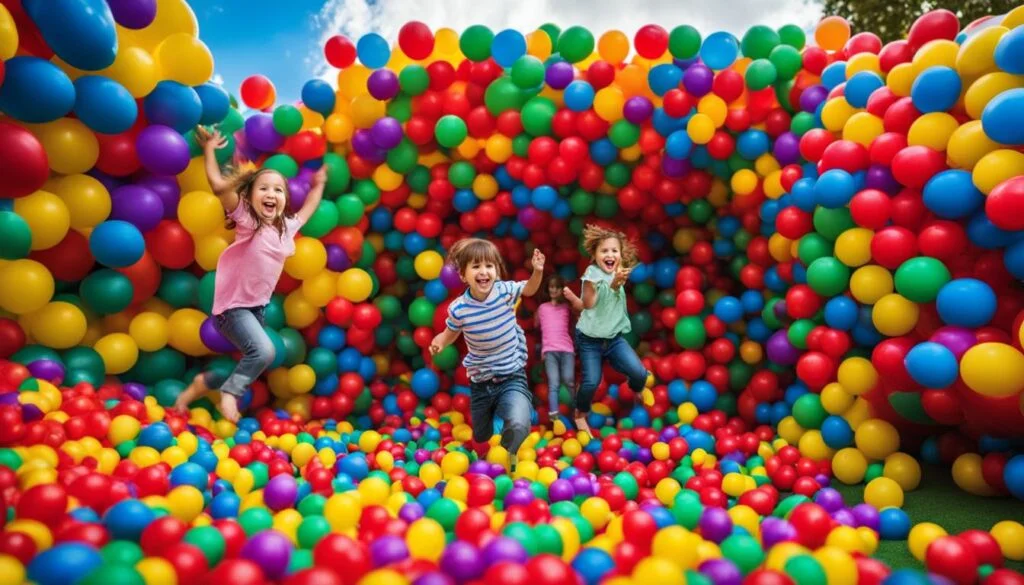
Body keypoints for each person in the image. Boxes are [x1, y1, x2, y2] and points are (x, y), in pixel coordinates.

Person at [173, 126, 327, 422]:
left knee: (252, 361)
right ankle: (229, 395)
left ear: (284, 200)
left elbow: (309, 207)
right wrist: (209, 150)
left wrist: (319, 184)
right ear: (251, 196)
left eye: (278, 189)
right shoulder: (248, 220)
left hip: (255, 310)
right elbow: (219, 187)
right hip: (232, 307)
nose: (271, 194)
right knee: (265, 352)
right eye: (264, 188)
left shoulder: (287, 229)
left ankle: (203, 385)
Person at [430, 238, 545, 471]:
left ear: (497, 271)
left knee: (521, 421)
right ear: (463, 275)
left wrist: (537, 271)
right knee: (481, 436)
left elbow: (530, 289)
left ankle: (506, 454)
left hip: (512, 374)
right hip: (481, 381)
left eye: (489, 266)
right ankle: (487, 449)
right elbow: (451, 332)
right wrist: (440, 341)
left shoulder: (505, 292)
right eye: (476, 267)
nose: (484, 272)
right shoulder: (459, 308)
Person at [566, 224, 651, 434]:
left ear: (621, 255)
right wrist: (611, 286)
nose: (610, 254)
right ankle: (580, 414)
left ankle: (636, 389)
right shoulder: (591, 275)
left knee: (640, 373)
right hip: (590, 340)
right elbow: (589, 303)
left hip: (613, 339)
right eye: (604, 251)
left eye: (615, 251)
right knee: (591, 381)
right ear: (594, 255)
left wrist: (616, 282)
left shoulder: (618, 273)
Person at [535, 275, 580, 428]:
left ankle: (577, 410)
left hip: (566, 349)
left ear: (561, 290)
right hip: (549, 351)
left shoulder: (566, 308)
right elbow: (536, 325)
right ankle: (554, 415)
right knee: (553, 383)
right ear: (548, 289)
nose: (553, 290)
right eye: (551, 287)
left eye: (557, 287)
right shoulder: (542, 308)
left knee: (568, 380)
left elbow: (577, 319)